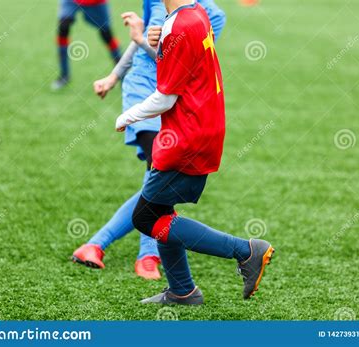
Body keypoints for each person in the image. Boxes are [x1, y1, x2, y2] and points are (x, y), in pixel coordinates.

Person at [112, 0, 275, 304]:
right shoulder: (197, 14)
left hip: (185, 136)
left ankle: (246, 251)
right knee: (161, 209)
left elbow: (165, 97)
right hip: (201, 127)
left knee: (146, 218)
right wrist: (161, 44)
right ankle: (182, 290)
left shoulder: (179, 25)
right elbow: (185, 65)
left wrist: (127, 116)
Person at [72, 0, 226, 280]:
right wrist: (114, 76)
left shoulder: (210, 16)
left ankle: (98, 244)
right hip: (144, 92)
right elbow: (141, 45)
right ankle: (146, 257)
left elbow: (180, 61)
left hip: (173, 102)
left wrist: (144, 39)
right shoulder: (159, 1)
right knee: (157, 176)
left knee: (158, 183)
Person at [52, 0, 122, 90]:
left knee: (106, 34)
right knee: (63, 27)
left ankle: (121, 72)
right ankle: (64, 75)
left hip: (95, 3)